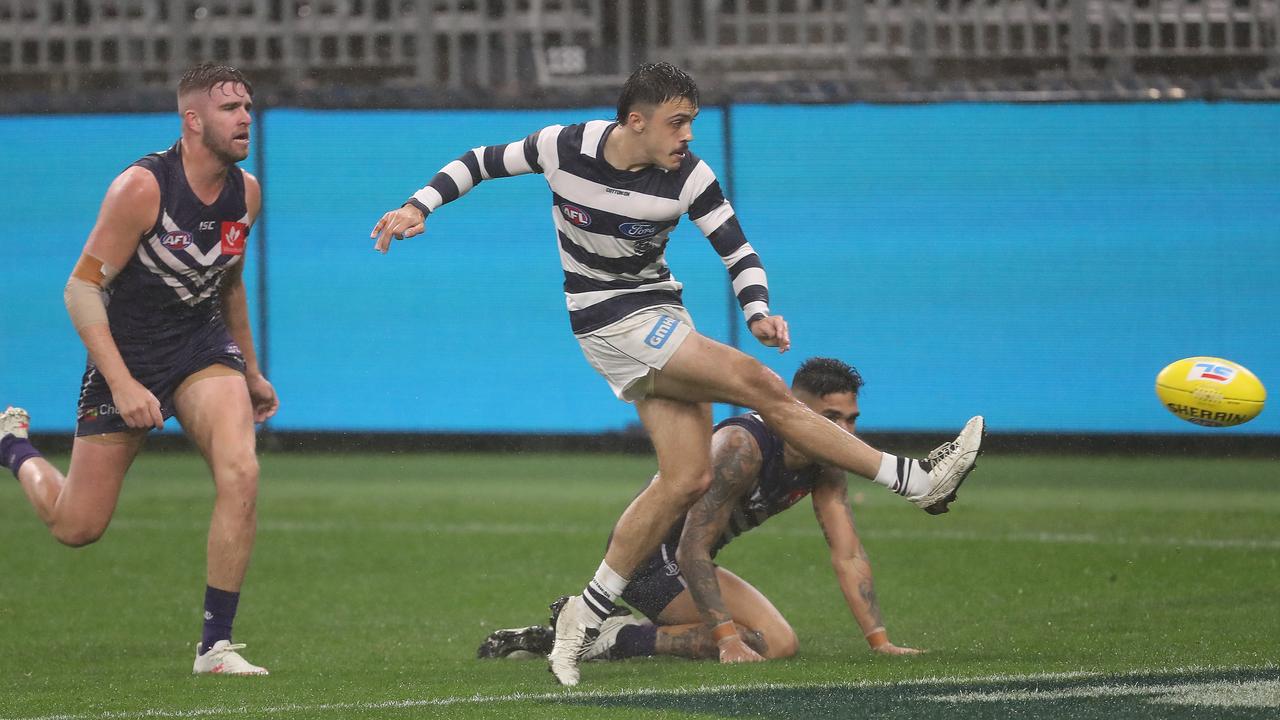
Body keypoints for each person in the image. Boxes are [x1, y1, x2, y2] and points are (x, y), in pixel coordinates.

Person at [370, 61, 984, 686]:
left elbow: (737, 249)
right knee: (763, 387)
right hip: (609, 319)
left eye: (691, 121)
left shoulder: (689, 176)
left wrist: (758, 308)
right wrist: (418, 206)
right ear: (635, 122)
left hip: (661, 311)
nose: (688, 135)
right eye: (677, 122)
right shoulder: (565, 146)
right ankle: (913, 479)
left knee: (686, 477)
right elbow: (478, 160)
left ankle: (587, 614)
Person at [0, 63, 276, 675]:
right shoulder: (142, 188)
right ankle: (13, 446)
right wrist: (123, 384)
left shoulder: (247, 192)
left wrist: (251, 371)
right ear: (192, 120)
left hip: (202, 349)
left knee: (242, 472)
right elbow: (79, 290)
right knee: (77, 527)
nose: (245, 119)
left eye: (248, 108)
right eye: (231, 110)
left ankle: (215, 647)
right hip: (128, 358)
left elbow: (228, 283)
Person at [478, 358, 922, 663]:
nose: (845, 431)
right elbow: (692, 546)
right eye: (832, 418)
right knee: (772, 643)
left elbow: (846, 553)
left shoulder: (826, 462)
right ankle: (612, 638)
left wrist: (879, 642)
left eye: (851, 418)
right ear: (798, 410)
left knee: (772, 642)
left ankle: (603, 630)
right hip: (650, 559)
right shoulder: (741, 447)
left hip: (687, 559)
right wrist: (726, 639)